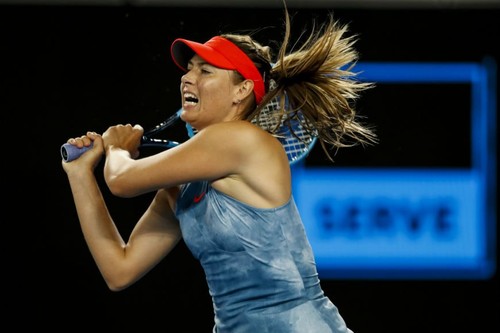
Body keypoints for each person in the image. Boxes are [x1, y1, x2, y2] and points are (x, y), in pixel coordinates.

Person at [61, 4, 376, 333]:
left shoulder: (241, 139)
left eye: (205, 71)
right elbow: (119, 269)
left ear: (242, 90)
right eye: (189, 69)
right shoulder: (182, 185)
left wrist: (115, 147)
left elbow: (121, 181)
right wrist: (81, 174)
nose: (187, 77)